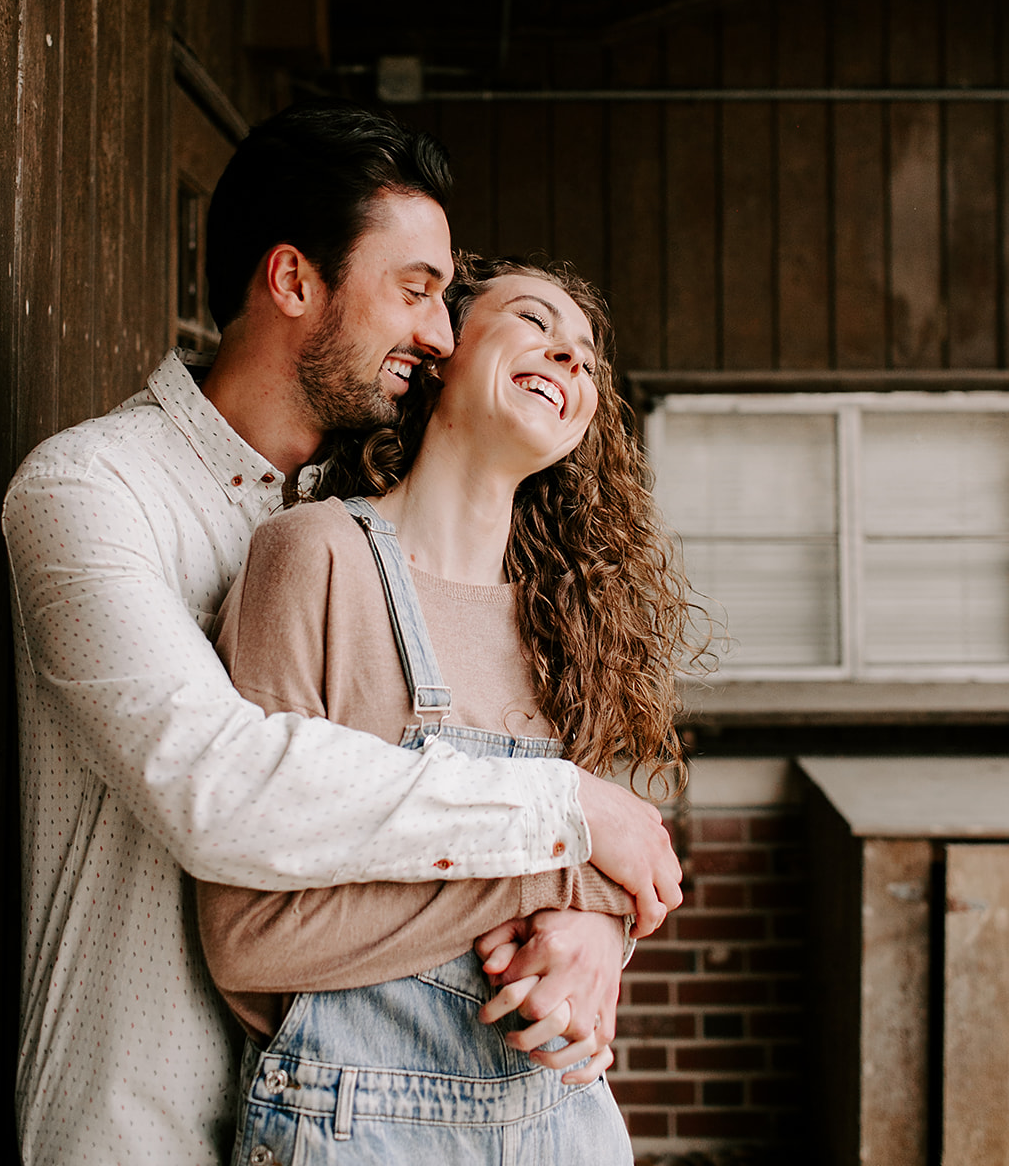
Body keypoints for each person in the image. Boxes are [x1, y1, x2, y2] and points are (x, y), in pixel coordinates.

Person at [3, 106, 683, 1166]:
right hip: (150, 1121)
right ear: (292, 282)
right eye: (414, 291)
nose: (441, 333)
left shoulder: (375, 525)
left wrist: (589, 917)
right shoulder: (92, 490)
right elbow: (216, 785)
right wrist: (562, 829)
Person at [196, 254, 692, 1164]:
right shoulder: (315, 557)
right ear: (438, 354)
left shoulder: (569, 624)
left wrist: (596, 934)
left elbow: (617, 878)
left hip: (564, 1124)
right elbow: (251, 941)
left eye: (585, 355)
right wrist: (559, 874)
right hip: (359, 1128)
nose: (570, 359)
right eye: (535, 323)